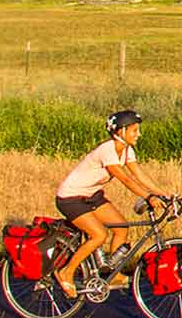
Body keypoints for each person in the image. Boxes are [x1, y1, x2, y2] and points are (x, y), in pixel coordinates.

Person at [53, 110, 169, 297]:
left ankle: (113, 275)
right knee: (99, 235)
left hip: (91, 196)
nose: (138, 134)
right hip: (71, 197)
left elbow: (139, 175)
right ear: (121, 132)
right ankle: (66, 272)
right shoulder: (107, 151)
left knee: (122, 227)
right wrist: (149, 198)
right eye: (134, 130)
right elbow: (126, 180)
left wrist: (164, 195)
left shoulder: (127, 150)